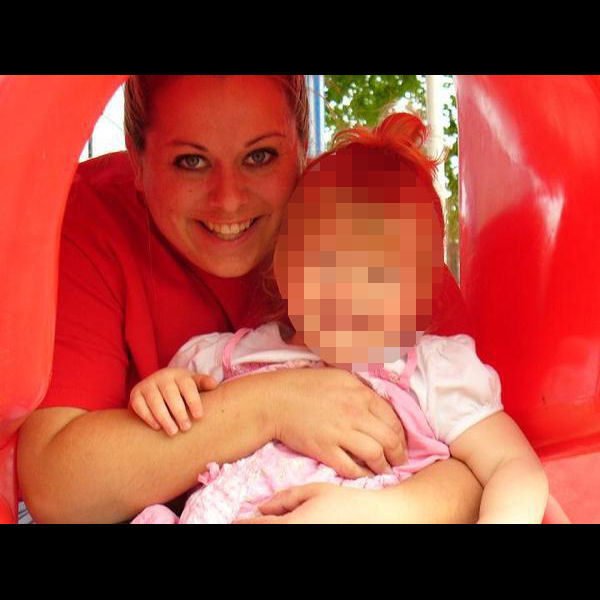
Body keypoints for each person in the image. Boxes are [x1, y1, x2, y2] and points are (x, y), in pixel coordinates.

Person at [17, 76, 483, 524]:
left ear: (301, 147)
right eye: (191, 161)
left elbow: (484, 462)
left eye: (260, 156)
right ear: (137, 159)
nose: (229, 200)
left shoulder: (371, 233)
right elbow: (58, 492)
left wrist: (383, 512)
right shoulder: (95, 220)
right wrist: (273, 404)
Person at [127, 112, 548, 524]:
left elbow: (512, 465)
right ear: (284, 267)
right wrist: (162, 391)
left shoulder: (430, 372)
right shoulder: (224, 359)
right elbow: (167, 434)